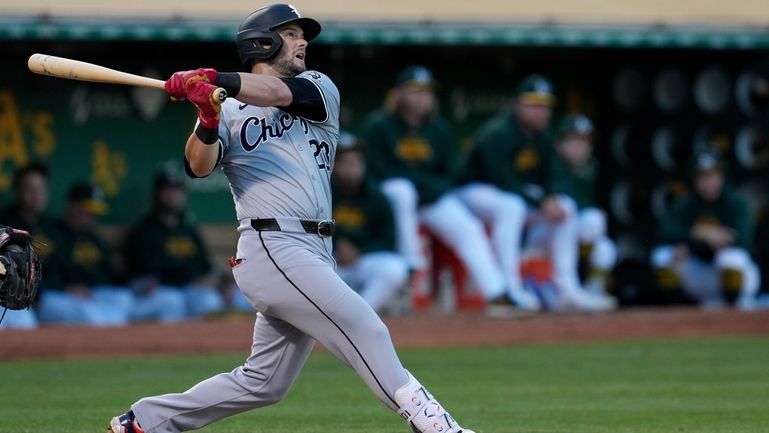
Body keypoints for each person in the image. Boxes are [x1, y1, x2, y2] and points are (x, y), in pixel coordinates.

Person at [108, 5, 475, 433]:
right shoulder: (224, 109)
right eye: (292, 33)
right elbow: (199, 166)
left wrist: (216, 80)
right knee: (365, 327)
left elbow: (277, 94)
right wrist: (207, 118)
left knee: (264, 383)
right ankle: (437, 426)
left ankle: (144, 422)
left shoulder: (317, 86)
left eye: (304, 36)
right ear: (262, 42)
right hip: (271, 243)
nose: (303, 42)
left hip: (316, 249)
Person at [360, 64, 539, 316]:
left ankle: (497, 294)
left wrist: (425, 187)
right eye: (415, 90)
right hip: (393, 202)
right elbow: (378, 173)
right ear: (399, 93)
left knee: (469, 228)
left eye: (426, 91)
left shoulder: (439, 129)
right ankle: (411, 265)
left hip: (429, 199)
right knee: (402, 190)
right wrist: (421, 184)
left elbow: (449, 176)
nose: (422, 96)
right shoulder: (379, 126)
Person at [456, 74, 617, 312]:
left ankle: (568, 290)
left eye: (544, 106)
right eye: (534, 105)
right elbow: (503, 180)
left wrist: (552, 198)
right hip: (472, 192)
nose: (540, 112)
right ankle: (510, 288)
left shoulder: (544, 136)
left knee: (566, 207)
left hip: (517, 197)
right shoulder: (499, 132)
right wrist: (541, 201)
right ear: (519, 105)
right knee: (511, 206)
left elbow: (555, 176)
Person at [651, 152, 762, 310]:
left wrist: (700, 242)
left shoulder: (736, 202)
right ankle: (677, 314)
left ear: (723, 177)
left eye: (713, 176)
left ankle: (734, 310)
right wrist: (697, 233)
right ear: (694, 180)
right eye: (702, 178)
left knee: (732, 258)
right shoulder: (685, 203)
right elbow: (664, 232)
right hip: (700, 276)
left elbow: (743, 239)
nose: (708, 183)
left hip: (739, 276)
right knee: (663, 256)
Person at [123, 169, 224, 321]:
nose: (174, 196)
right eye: (168, 191)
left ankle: (199, 343)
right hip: (159, 289)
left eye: (178, 191)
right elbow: (147, 272)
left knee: (209, 300)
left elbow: (203, 264)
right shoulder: (145, 230)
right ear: (157, 194)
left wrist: (212, 279)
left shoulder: (188, 230)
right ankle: (166, 344)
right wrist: (191, 278)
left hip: (188, 287)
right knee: (172, 301)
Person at [331, 131, 409, 313]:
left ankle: (359, 315)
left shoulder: (376, 196)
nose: (351, 169)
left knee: (395, 269)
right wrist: (338, 243)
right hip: (329, 262)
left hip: (362, 261)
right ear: (333, 165)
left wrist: (360, 251)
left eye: (356, 163)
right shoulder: (321, 193)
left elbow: (388, 241)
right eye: (344, 163)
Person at [36, 182, 135, 325]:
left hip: (90, 295)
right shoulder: (50, 235)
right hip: (58, 296)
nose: (92, 216)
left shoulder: (93, 238)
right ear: (72, 207)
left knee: (125, 298)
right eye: (87, 210)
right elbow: (39, 275)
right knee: (86, 313)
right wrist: (65, 288)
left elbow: (111, 275)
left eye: (94, 211)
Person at [552, 114, 618, 296]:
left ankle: (593, 291)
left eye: (585, 142)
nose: (581, 147)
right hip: (545, 237)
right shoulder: (550, 164)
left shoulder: (590, 169)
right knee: (591, 218)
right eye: (574, 141)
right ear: (559, 143)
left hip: (573, 237)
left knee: (606, 248)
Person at [0, 162, 55, 329]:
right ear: (17, 191)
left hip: (50, 295)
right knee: (23, 321)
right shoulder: (5, 225)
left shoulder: (50, 226)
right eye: (30, 189)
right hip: (14, 299)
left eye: (41, 189)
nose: (36, 194)